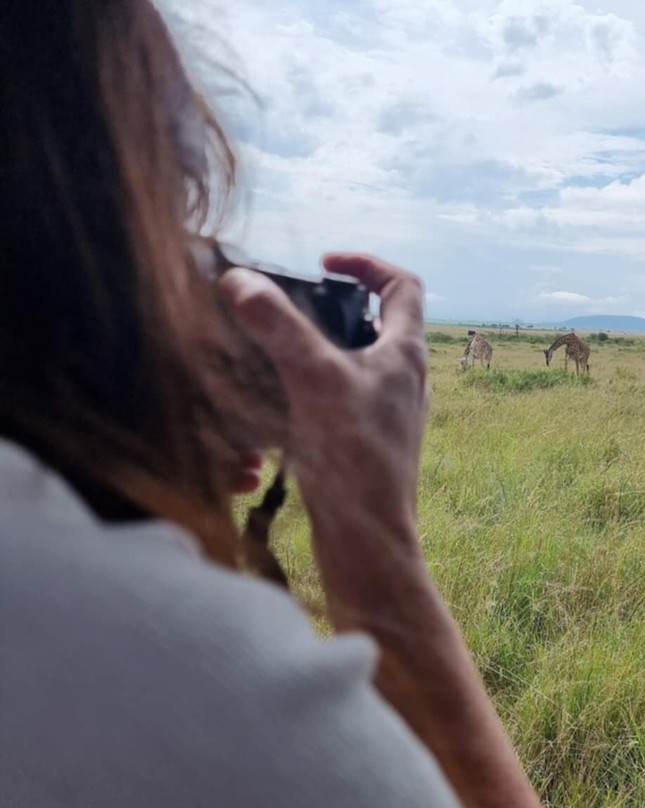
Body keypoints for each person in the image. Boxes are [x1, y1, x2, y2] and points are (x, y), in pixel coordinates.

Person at [0, 4, 541, 807]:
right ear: (91, 243)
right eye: (174, 213)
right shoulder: (179, 665)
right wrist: (375, 533)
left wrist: (128, 456)